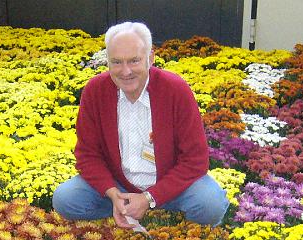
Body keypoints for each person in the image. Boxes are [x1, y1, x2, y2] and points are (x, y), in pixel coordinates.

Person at [52, 22, 229, 229]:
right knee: (65, 199)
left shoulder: (175, 90)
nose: (125, 71)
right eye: (116, 62)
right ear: (107, 61)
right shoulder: (95, 91)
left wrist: (149, 198)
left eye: (134, 61)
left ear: (150, 58)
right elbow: (87, 154)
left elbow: (195, 160)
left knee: (210, 204)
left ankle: (150, 207)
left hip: (170, 186)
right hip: (118, 186)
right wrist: (112, 193)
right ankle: (124, 206)